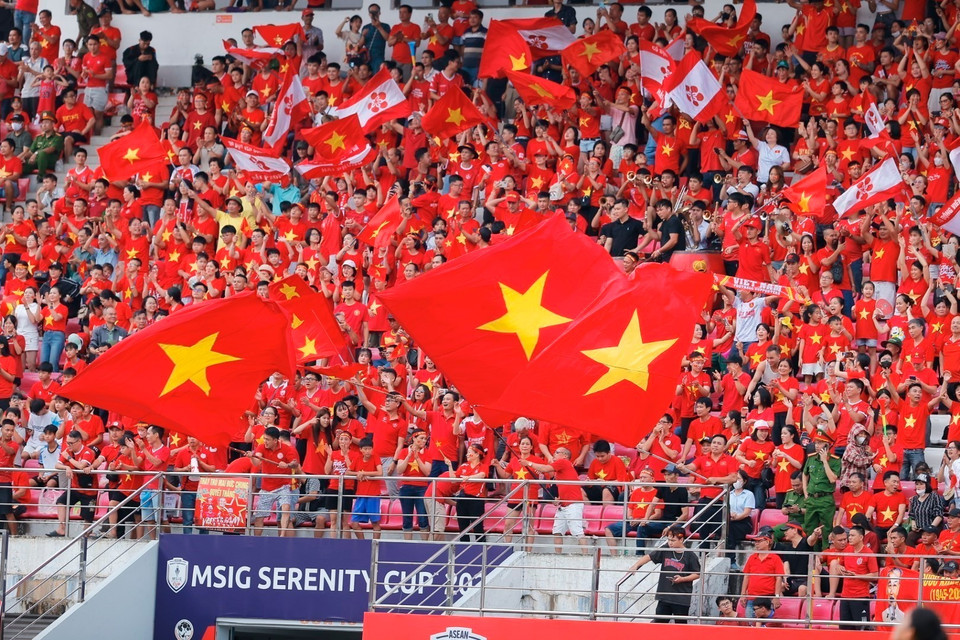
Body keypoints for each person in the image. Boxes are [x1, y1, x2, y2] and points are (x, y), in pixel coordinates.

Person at [520, 447, 589, 554]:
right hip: (565, 504)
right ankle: (558, 555)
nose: (554, 454)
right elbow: (566, 487)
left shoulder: (563, 462)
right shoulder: (563, 468)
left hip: (573, 504)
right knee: (557, 531)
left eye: (557, 452)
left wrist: (529, 463)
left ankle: (586, 555)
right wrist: (559, 499)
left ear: (565, 455)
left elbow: (545, 469)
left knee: (577, 531)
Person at [628, 525, 701, 624]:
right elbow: (649, 556)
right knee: (660, 624)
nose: (670, 543)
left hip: (681, 598)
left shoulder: (690, 555)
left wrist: (682, 579)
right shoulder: (665, 549)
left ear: (681, 539)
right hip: (664, 596)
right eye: (669, 540)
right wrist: (636, 565)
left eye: (673, 540)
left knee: (680, 625)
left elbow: (697, 574)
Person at [251, 426, 300, 537]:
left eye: (267, 439)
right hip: (266, 488)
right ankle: (255, 541)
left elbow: (295, 464)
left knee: (286, 508)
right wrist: (251, 457)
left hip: (283, 486)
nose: (265, 441)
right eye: (264, 438)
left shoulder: (287, 449)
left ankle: (282, 537)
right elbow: (256, 462)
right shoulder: (262, 447)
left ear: (275, 440)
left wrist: (287, 465)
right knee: (259, 517)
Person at [740, 527, 784, 618]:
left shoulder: (775, 558)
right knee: (751, 624)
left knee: (764, 625)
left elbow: (779, 578)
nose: (756, 543)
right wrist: (743, 595)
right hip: (752, 597)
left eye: (759, 541)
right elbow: (746, 577)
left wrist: (776, 596)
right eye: (756, 541)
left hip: (767, 598)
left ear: (767, 542)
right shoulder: (752, 557)